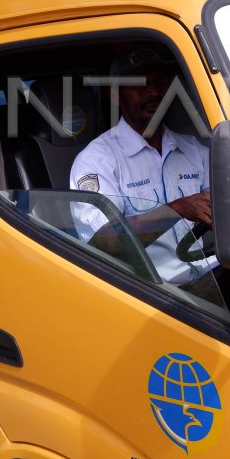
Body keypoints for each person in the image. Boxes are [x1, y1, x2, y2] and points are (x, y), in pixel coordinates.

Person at [68, 45, 216, 285]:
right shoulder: (97, 161)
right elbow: (102, 242)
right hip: (148, 294)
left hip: (209, 279)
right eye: (141, 84)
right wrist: (176, 210)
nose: (154, 92)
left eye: (160, 82)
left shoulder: (195, 150)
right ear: (115, 94)